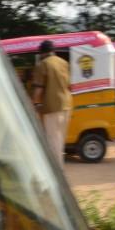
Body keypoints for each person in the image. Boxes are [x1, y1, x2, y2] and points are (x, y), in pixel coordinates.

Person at [31, 40, 72, 169]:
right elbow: (68, 84)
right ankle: (59, 170)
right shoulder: (64, 63)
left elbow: (39, 89)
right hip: (67, 105)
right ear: (53, 51)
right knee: (60, 142)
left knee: (53, 142)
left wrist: (34, 104)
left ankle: (57, 173)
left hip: (52, 107)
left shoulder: (43, 64)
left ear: (42, 53)